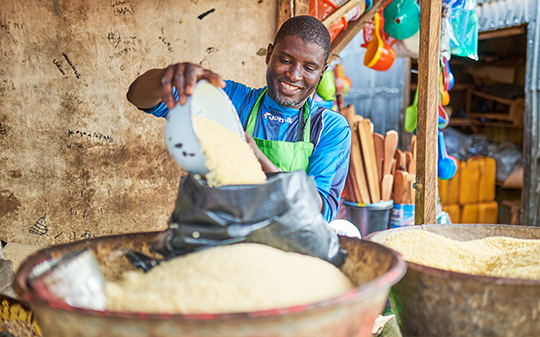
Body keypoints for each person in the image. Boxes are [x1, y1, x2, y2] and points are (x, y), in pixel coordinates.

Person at [126, 15, 351, 223]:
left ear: (323, 71)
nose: (294, 75)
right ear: (269, 54)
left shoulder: (329, 128)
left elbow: (321, 211)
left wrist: (255, 157)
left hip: (288, 249)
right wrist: (168, 77)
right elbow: (138, 96)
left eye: (309, 67)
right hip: (223, 237)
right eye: (285, 59)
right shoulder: (230, 100)